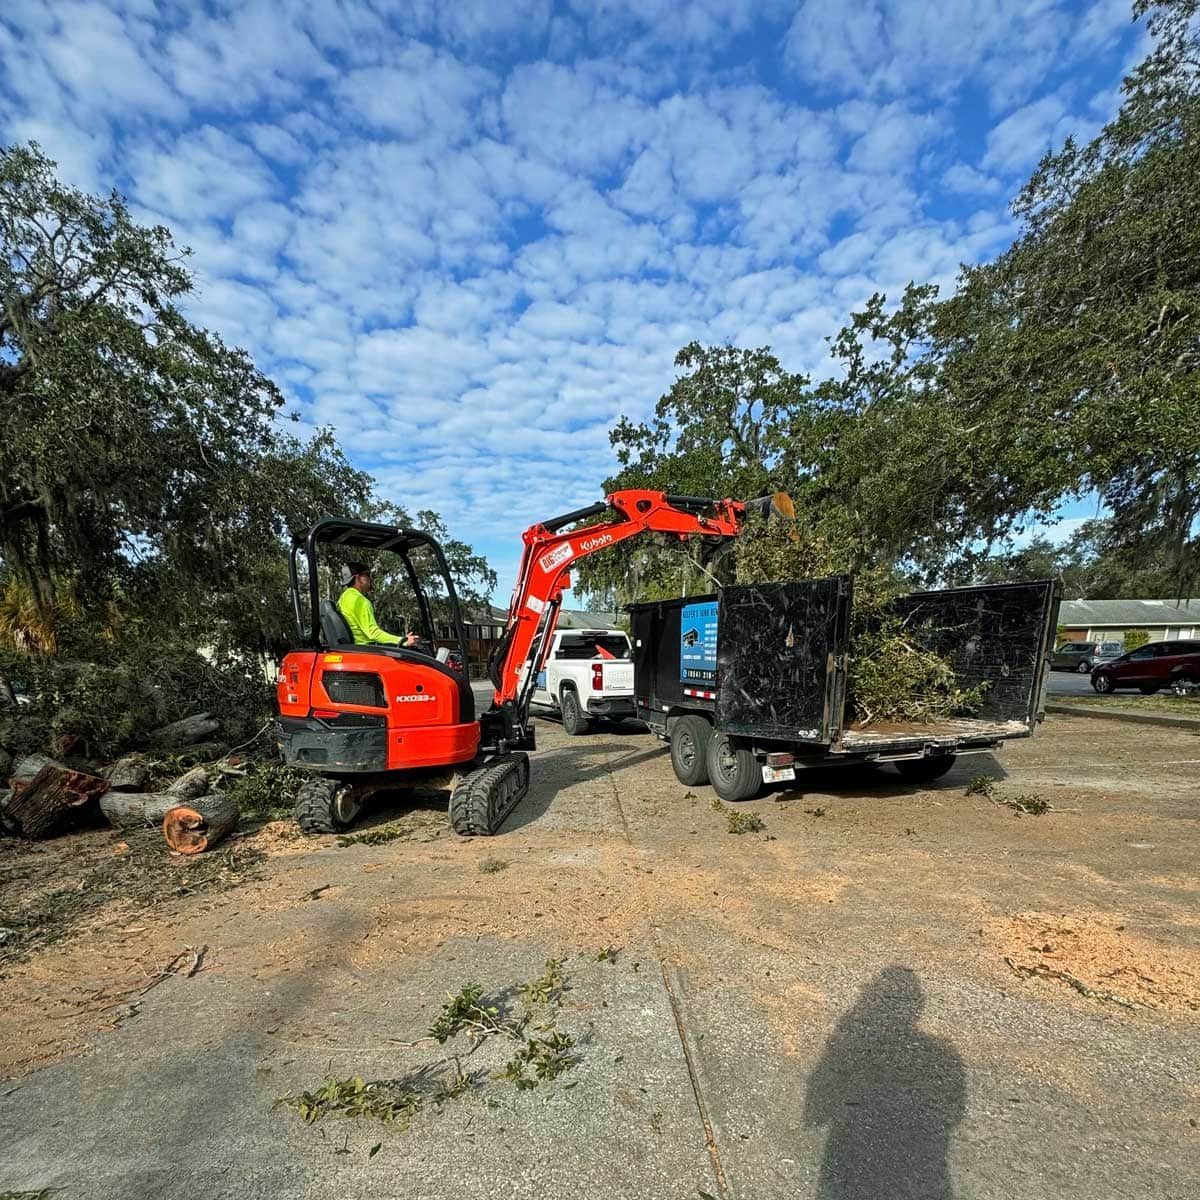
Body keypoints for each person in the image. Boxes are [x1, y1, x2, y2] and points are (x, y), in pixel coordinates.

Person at [337, 562, 422, 649]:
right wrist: (403, 641)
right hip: (365, 650)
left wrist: (400, 639)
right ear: (358, 578)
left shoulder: (342, 598)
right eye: (367, 575)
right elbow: (373, 633)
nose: (370, 579)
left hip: (353, 649)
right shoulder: (360, 601)